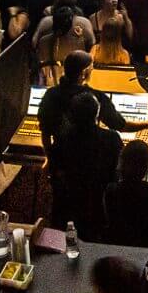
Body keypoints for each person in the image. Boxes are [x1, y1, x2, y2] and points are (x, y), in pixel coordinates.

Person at [49, 91, 123, 237]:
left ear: (71, 115)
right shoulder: (112, 138)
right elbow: (118, 171)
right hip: (101, 207)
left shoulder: (62, 139)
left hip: (67, 208)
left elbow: (54, 172)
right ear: (97, 115)